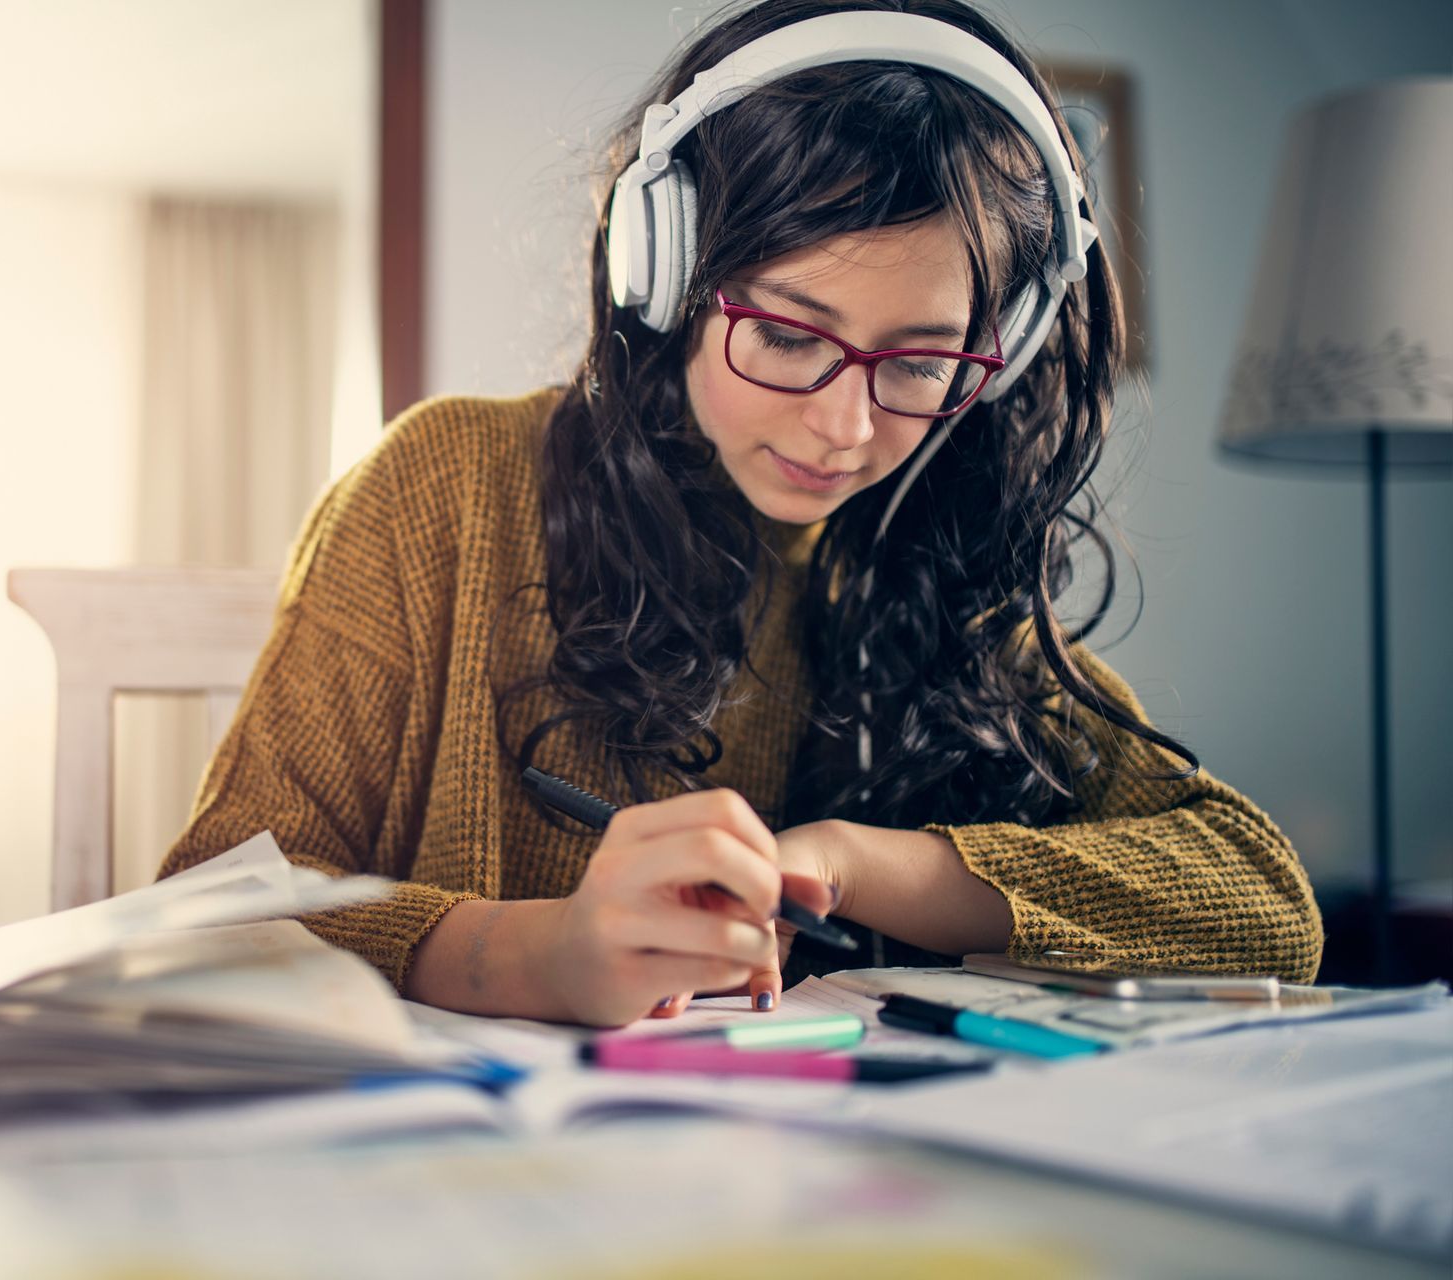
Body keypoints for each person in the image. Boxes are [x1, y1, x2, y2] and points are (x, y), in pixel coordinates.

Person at [160, 0, 1324, 1028]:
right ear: (665, 276)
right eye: (782, 333)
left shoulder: (932, 578)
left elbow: (1263, 899)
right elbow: (211, 915)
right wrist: (541, 952)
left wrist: (850, 863)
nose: (844, 427)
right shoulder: (449, 488)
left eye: (921, 362)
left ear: (997, 358)